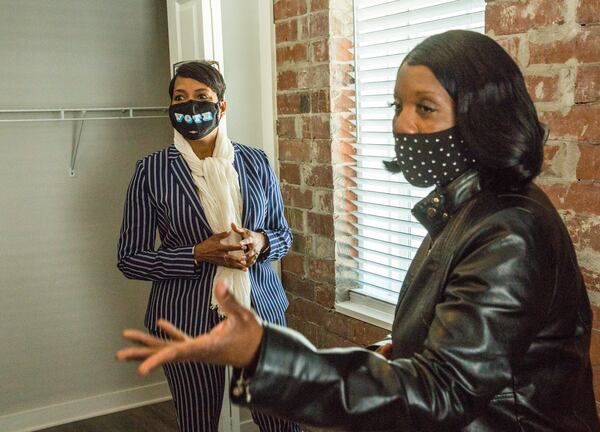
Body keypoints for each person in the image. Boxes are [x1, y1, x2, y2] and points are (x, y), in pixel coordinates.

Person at [117, 31, 600, 431]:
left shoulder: (507, 230)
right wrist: (401, 348)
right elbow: (468, 346)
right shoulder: (464, 210)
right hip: (187, 310)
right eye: (396, 105)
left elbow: (444, 391)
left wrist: (266, 349)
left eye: (424, 108)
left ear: (481, 113)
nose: (402, 125)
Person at [116, 61, 299, 432]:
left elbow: (283, 234)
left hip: (260, 311)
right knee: (198, 423)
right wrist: (196, 254)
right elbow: (129, 259)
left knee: (281, 421)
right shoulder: (151, 171)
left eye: (202, 97)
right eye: (180, 98)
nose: (190, 106)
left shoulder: (256, 161)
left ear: (222, 106)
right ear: (170, 107)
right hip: (186, 318)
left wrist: (260, 241)